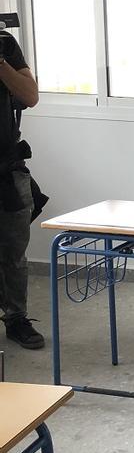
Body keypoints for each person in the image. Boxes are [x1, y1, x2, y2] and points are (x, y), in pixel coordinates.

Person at [0, 26, 42, 350]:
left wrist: (1, 65)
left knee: (14, 253)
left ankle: (16, 318)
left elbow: (29, 95)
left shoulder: (5, 45)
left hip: (6, 168)